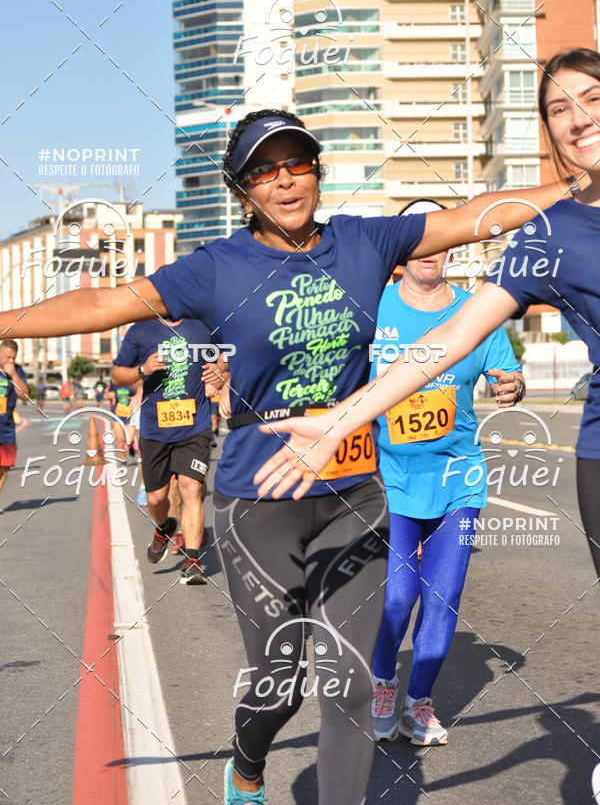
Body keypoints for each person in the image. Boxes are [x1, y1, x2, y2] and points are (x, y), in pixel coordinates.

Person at [0, 108, 581, 805]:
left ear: (315, 169)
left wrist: (580, 180)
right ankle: (247, 765)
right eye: (263, 170)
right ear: (242, 189)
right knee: (280, 681)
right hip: (257, 498)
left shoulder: (366, 242)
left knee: (353, 683)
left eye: (296, 162)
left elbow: (476, 217)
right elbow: (105, 302)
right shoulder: (217, 266)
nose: (284, 180)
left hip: (353, 493)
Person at [253, 51, 600, 598]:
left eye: (593, 99)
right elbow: (448, 339)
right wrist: (336, 422)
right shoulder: (548, 236)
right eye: (559, 108)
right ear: (549, 131)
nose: (578, 118)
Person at [368, 199, 524, 747]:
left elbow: (508, 373)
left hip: (459, 478)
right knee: (394, 597)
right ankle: (383, 684)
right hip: (388, 479)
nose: (433, 249)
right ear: (403, 248)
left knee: (443, 595)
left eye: (442, 236)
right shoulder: (373, 306)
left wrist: (512, 386)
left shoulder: (475, 312)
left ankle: (419, 703)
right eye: (421, 237)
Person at [111, 316, 214, 585]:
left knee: (191, 488)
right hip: (155, 429)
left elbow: (225, 357)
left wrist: (220, 376)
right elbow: (117, 374)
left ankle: (192, 561)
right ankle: (164, 527)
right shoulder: (140, 331)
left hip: (195, 425)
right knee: (156, 498)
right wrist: (143, 370)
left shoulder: (202, 325)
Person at [0, 340, 29, 506]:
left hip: (6, 428)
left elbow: (24, 396)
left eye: (13, 358)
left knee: (3, 469)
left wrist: (14, 376)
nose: (11, 361)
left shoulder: (16, 371)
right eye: (7, 357)